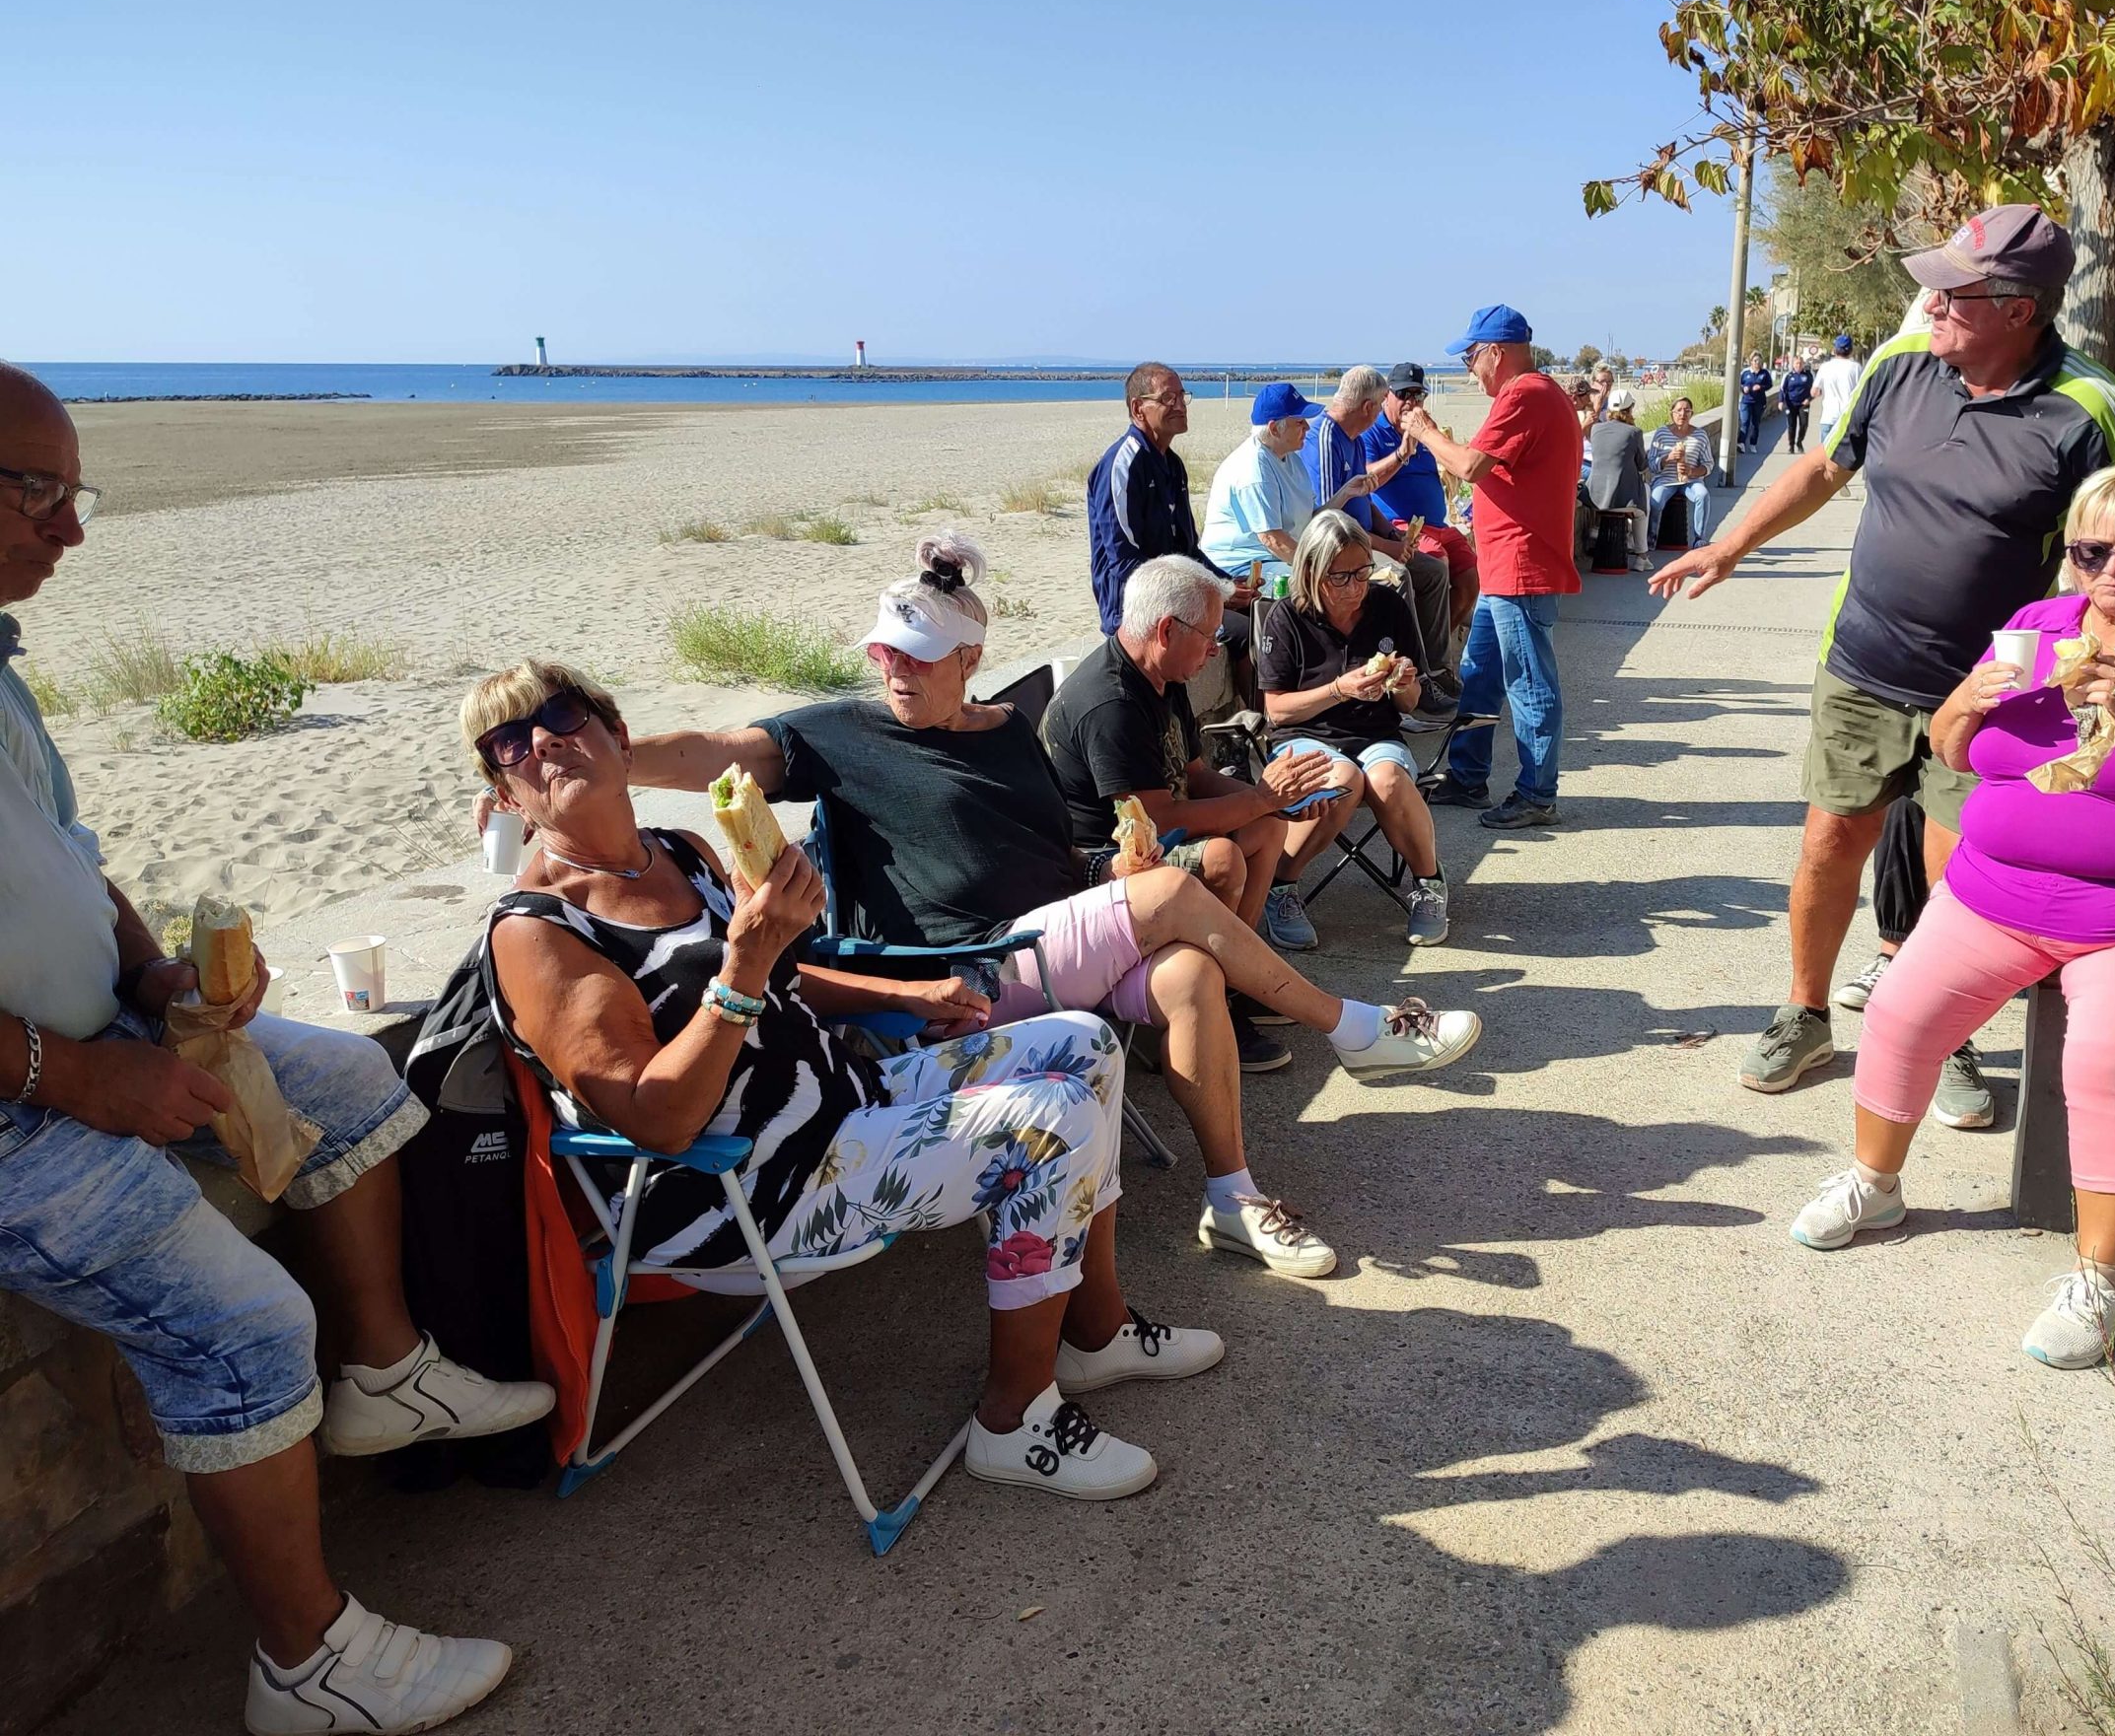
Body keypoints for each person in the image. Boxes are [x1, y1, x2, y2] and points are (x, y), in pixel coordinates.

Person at [0, 365, 547, 1736]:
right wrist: (77, 1077)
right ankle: (308, 1668)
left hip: (99, 1035)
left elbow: (71, 857)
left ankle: (384, 1380)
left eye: (76, 493)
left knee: (355, 1084)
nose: (70, 529)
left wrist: (149, 976)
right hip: (20, 1106)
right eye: (39, 492)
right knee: (246, 1327)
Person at [468, 656, 1223, 1503]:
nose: (542, 743)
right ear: (505, 796)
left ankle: (1096, 1333)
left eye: (562, 716)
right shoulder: (540, 932)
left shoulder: (677, 852)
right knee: (1048, 1122)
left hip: (844, 1103)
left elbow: (785, 977)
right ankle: (1014, 1422)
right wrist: (745, 965)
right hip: (747, 1186)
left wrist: (903, 993)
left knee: (1084, 1045)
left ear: (617, 736)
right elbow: (659, 1117)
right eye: (509, 743)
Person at [627, 537, 1484, 1283]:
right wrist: (607, 760)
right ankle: (1351, 1027)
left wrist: (1115, 867)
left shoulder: (1006, 731)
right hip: (962, 973)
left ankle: (1233, 1199)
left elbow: (1057, 854)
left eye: (919, 656)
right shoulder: (841, 735)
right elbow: (711, 752)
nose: (895, 670)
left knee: (1188, 973)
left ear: (969, 658)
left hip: (1050, 940)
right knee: (1180, 890)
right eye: (886, 652)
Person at [1652, 204, 2115, 1112]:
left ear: (2019, 309)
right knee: (1828, 843)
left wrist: (2112, 670)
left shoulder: (2093, 409)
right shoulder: (1901, 364)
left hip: (1997, 691)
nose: (1933, 303)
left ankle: (1945, 1037)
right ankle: (1805, 1013)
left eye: (1956, 291)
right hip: (1863, 665)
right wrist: (1729, 546)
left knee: (1959, 877)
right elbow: (1823, 467)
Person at [1790, 461, 2115, 1370]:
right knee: (1897, 1010)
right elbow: (1951, 751)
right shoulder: (2036, 627)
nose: (2111, 572)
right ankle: (1875, 1183)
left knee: (2104, 1062)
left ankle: (2102, 1281)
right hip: (1995, 895)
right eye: (2092, 552)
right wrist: (1963, 705)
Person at [1042, 557, 1358, 991]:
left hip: (1154, 831)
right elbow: (1156, 820)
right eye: (1210, 635)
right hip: (1103, 857)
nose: (1215, 649)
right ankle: (1209, 990)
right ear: (1166, 631)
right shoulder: (1112, 705)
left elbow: (1196, 775)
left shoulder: (1163, 674)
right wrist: (1261, 799)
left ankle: (1238, 978)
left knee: (1267, 826)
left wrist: (1277, 804)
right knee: (1221, 859)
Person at [1403, 306, 1586, 830]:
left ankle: (1536, 793)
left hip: (1521, 566)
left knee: (1528, 680)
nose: (1469, 371)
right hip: (1506, 565)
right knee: (1479, 672)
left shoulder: (1524, 395)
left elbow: (1468, 465)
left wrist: (1424, 429)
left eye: (1470, 359)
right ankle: (1468, 776)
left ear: (1495, 353)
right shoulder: (1541, 393)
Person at [1257, 513, 1452, 947]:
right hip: (1305, 735)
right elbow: (1277, 711)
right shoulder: (1287, 617)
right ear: (1311, 571)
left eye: (1363, 572)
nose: (1355, 587)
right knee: (1343, 780)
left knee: (1386, 779)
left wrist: (1402, 683)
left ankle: (1430, 883)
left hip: (1376, 734)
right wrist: (1339, 690)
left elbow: (1410, 704)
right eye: (1341, 577)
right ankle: (1280, 886)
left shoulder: (1388, 606)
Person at [1088, 362, 1258, 694]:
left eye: (1183, 396)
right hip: (1135, 609)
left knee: (1261, 614)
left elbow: (1188, 550)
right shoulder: (1123, 465)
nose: (1180, 405)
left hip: (1176, 600)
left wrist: (1227, 585)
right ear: (1138, 408)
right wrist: (1212, 595)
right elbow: (1124, 563)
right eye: (1168, 398)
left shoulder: (1173, 465)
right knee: (1242, 632)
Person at [1303, 365, 1455, 712]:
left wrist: (1393, 534)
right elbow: (1331, 525)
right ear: (1370, 407)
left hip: (1367, 540)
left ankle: (1435, 669)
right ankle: (1410, 681)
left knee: (1433, 572)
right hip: (1341, 551)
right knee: (1398, 577)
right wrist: (1388, 547)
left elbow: (1365, 500)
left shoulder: (1354, 439)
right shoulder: (1327, 437)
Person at [1356, 362, 1478, 683]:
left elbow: (1457, 465)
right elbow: (1366, 480)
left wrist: (1430, 435)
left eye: (1418, 396)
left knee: (1470, 578)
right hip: (1400, 525)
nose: (1411, 403)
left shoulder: (1425, 430)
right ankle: (1428, 666)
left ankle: (1427, 650)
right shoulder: (1373, 433)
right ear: (1386, 397)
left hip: (1438, 523)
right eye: (1403, 395)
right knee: (1436, 562)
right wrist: (1402, 452)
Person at [1199, 381, 1322, 592]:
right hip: (1241, 566)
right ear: (1274, 429)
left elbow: (1310, 515)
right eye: (1299, 422)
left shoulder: (1290, 458)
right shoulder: (1254, 467)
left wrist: (1346, 493)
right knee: (1318, 588)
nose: (1307, 428)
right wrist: (1320, 570)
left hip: (1276, 558)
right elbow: (1273, 540)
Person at [1586, 387, 1654, 570]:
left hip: (1595, 498)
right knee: (1644, 500)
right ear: (1630, 409)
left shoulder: (1595, 429)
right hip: (1624, 501)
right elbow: (1642, 466)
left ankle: (1598, 532)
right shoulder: (1634, 432)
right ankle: (1641, 556)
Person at [1647, 395, 1716, 548]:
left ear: (1692, 414)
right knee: (1655, 502)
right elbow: (1651, 463)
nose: (1682, 414)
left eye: (1687, 410)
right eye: (1678, 410)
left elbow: (1708, 465)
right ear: (1672, 413)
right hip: (1665, 480)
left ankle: (1699, 538)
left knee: (1702, 495)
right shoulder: (1662, 434)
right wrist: (1667, 459)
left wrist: (1692, 471)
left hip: (1691, 481)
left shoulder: (1700, 435)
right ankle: (1650, 538)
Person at [1812, 334, 1863, 444]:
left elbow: (1814, 392)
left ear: (1835, 350)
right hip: (1848, 418)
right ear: (1851, 350)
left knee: (1826, 451)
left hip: (1829, 417)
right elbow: (1862, 392)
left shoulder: (1825, 367)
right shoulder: (1856, 368)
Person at [1778, 357, 1815, 454]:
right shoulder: (1788, 375)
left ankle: (1799, 442)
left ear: (1803, 364)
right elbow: (1782, 390)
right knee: (1791, 425)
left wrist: (1809, 399)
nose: (1798, 365)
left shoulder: (1808, 375)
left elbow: (1815, 389)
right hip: (1790, 404)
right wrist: (1781, 401)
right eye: (1796, 363)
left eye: (1800, 363)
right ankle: (1791, 445)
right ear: (1793, 364)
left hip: (1804, 404)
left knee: (1804, 424)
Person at [1736, 358, 1773, 450]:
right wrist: (1743, 389)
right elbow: (1738, 384)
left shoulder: (1764, 373)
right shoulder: (1745, 372)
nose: (1757, 362)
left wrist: (1760, 387)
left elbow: (1769, 385)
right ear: (1751, 361)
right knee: (1745, 422)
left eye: (1759, 361)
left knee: (1755, 424)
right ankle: (1741, 443)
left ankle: (1753, 444)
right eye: (1755, 360)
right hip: (1746, 402)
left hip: (1759, 402)